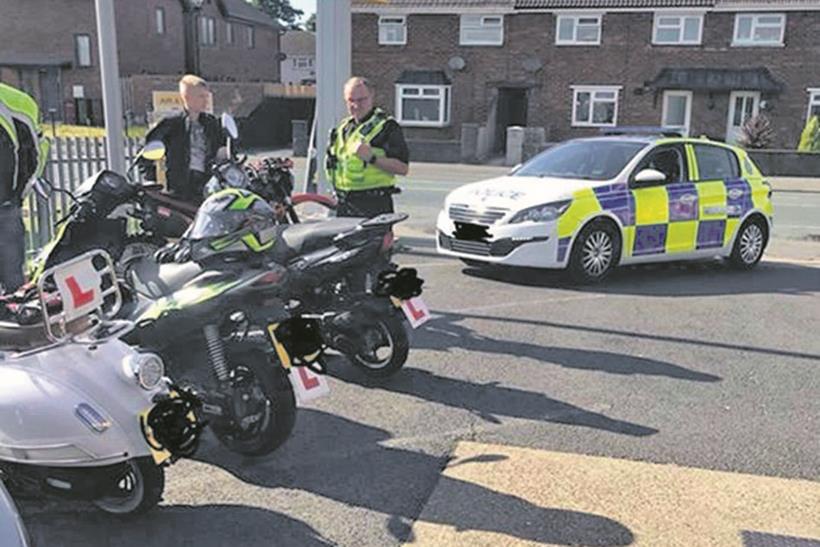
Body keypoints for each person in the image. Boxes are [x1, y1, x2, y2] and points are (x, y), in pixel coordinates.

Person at [326, 77, 409, 217]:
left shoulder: (387, 126)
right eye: (351, 100)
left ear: (372, 97)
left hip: (374, 205)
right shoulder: (343, 128)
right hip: (344, 204)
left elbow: (403, 168)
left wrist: (372, 158)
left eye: (361, 100)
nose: (356, 105)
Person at [140, 75, 226, 204]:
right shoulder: (172, 123)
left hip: (207, 185)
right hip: (179, 187)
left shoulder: (212, 124)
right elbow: (147, 151)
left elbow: (224, 148)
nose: (205, 101)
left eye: (206, 96)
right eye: (201, 96)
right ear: (187, 97)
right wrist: (150, 180)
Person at [0, 83, 48, 294]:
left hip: (7, 207)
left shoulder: (16, 102)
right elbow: (38, 152)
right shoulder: (18, 101)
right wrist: (18, 194)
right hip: (7, 205)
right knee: (14, 289)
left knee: (14, 287)